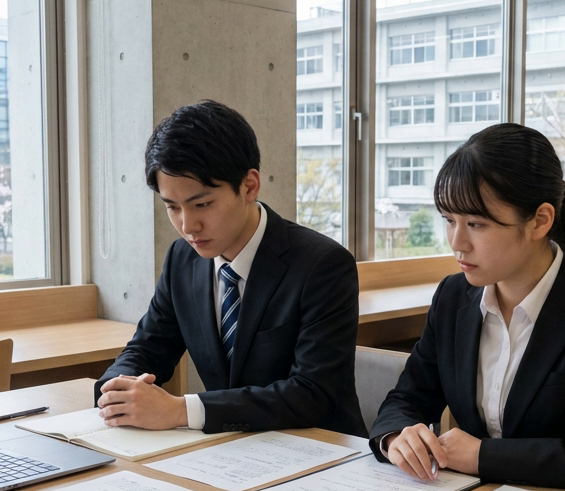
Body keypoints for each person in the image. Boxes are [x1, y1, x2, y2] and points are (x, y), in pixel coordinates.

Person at [369, 123, 565, 491]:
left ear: (540, 220)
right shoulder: (452, 297)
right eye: (449, 221)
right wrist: (397, 436)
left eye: (476, 224)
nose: (457, 243)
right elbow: (407, 398)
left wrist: (484, 456)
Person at [95, 100, 366, 437]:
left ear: (249, 186)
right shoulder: (183, 258)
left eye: (202, 204)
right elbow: (149, 347)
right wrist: (115, 391)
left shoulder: (322, 265)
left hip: (318, 453)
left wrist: (181, 410)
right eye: (172, 207)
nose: (187, 225)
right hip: (228, 450)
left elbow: (311, 394)